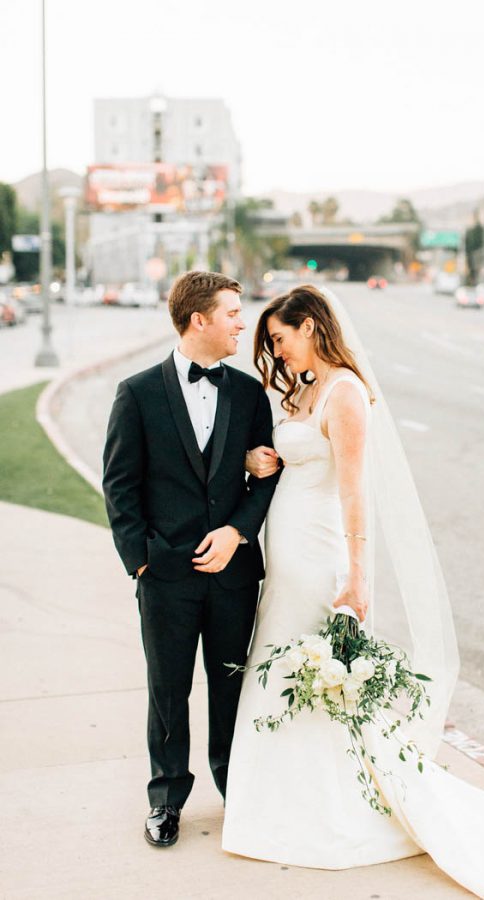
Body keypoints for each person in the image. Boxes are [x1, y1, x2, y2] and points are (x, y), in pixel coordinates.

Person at [222, 284, 484, 898]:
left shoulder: (346, 392)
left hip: (321, 552)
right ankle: (283, 799)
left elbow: (356, 490)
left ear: (311, 326)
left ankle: (324, 805)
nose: (275, 352)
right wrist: (258, 459)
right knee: (280, 664)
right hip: (288, 550)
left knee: (302, 668)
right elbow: (287, 455)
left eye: (280, 338)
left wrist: (357, 577)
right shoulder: (303, 387)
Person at [102, 271, 279, 848]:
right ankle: (166, 798)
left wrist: (237, 532)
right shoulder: (138, 393)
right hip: (166, 577)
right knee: (168, 689)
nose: (240, 322)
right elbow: (120, 487)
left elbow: (266, 478)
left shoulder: (250, 393)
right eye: (232, 312)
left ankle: (237, 789)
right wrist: (143, 562)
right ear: (198, 320)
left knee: (230, 686)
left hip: (232, 574)